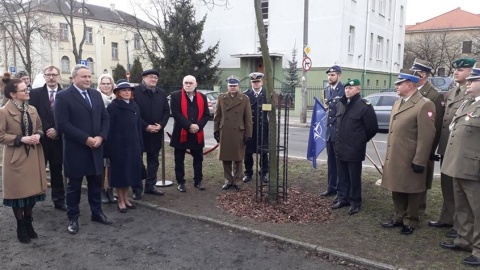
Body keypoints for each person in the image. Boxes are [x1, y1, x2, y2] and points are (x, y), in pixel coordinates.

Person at [54, 64, 112, 235]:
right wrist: (86, 139)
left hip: (96, 147)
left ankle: (97, 212)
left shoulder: (95, 94)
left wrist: (101, 137)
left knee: (95, 183)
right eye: (83, 76)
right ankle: (73, 218)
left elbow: (105, 118)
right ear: (74, 78)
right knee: (74, 187)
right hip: (76, 149)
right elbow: (62, 124)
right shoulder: (63, 97)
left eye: (89, 76)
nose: (88, 79)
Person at [381, 69, 436, 235]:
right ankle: (399, 216)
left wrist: (420, 160)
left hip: (411, 157)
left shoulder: (424, 104)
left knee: (412, 189)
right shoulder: (398, 103)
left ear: (410, 84)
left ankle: (411, 220)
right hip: (397, 156)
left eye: (399, 83)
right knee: (396, 186)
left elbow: (426, 137)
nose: (396, 86)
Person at [440, 65, 480, 266]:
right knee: (462, 208)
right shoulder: (467, 104)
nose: (469, 83)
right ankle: (464, 240)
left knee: (477, 210)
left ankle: (479, 250)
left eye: (473, 80)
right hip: (457, 165)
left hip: (474, 169)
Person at [431, 58, 476, 238]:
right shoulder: (453, 91)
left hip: (461, 150)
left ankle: (460, 225)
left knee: (460, 190)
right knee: (447, 185)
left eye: (461, 70)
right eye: (455, 70)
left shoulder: (470, 94)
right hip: (447, 146)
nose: (456, 72)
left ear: (471, 73)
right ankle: (448, 217)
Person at [0, 77, 47, 243]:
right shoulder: (4, 111)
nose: (28, 91)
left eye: (27, 88)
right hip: (16, 157)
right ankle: (21, 225)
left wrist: (37, 135)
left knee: (31, 194)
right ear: (13, 94)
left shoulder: (32, 109)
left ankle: (29, 221)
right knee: (18, 194)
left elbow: (40, 127)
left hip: (33, 156)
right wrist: (21, 139)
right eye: (23, 90)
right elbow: (1, 135)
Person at [333, 79, 378, 215]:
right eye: (346, 88)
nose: (347, 90)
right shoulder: (341, 104)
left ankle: (355, 202)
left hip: (354, 148)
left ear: (358, 90)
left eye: (351, 88)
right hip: (340, 147)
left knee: (354, 177)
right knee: (342, 175)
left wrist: (359, 141)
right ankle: (343, 198)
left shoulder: (364, 106)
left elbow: (372, 128)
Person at [409, 58, 445, 217]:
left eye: (414, 72)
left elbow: (435, 128)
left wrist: (428, 152)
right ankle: (406, 210)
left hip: (423, 147)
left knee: (420, 181)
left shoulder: (434, 95)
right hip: (409, 145)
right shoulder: (412, 91)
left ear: (422, 74)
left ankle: (418, 211)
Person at [29, 65, 66, 211]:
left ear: (59, 76)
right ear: (44, 76)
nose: (51, 77)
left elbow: (68, 116)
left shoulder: (66, 94)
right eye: (48, 74)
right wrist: (45, 130)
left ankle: (59, 200)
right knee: (36, 171)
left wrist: (57, 129)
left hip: (59, 140)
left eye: (54, 74)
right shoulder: (35, 94)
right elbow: (33, 115)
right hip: (41, 140)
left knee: (57, 171)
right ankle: (30, 200)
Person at [131, 69, 170, 200]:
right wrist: (146, 126)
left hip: (156, 133)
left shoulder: (161, 93)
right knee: (137, 161)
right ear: (143, 78)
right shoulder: (135, 92)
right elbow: (133, 113)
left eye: (155, 78)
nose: (153, 79)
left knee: (153, 161)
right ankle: (137, 189)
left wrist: (161, 125)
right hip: (140, 133)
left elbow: (166, 111)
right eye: (150, 77)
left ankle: (150, 186)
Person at [106, 81, 143, 213]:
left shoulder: (135, 105)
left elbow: (138, 126)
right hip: (118, 146)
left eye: (129, 90)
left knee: (130, 173)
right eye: (124, 90)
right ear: (118, 92)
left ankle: (126, 198)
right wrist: (108, 148)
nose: (127, 92)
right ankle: (120, 200)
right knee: (120, 175)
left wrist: (140, 144)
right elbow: (109, 129)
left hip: (133, 145)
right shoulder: (113, 107)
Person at [169, 75, 210, 192]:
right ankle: (180, 182)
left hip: (197, 133)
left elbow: (206, 114)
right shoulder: (175, 96)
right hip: (181, 132)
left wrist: (198, 126)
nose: (188, 85)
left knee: (198, 158)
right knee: (179, 159)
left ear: (195, 84)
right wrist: (189, 126)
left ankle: (198, 181)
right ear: (183, 84)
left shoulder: (202, 97)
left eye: (190, 83)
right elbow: (176, 114)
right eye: (186, 83)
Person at [213, 76, 252, 191]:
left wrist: (248, 134)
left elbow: (248, 118)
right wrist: (216, 131)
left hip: (239, 132)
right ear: (227, 86)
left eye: (235, 86)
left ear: (238, 86)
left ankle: (238, 180)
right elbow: (217, 116)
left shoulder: (244, 99)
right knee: (226, 157)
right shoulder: (221, 98)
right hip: (225, 131)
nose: (233, 88)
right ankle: (228, 180)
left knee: (238, 158)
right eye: (231, 86)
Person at [320, 65, 345, 200]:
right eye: (329, 75)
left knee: (339, 162)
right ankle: (331, 187)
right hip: (329, 132)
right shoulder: (326, 90)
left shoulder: (344, 90)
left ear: (339, 76)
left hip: (339, 132)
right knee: (331, 162)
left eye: (333, 75)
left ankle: (340, 190)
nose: (330, 77)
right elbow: (327, 110)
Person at [242, 72, 269, 183]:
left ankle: (264, 173)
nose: (256, 84)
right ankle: (248, 173)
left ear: (261, 82)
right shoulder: (246, 95)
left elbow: (270, 109)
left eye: (257, 81)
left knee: (263, 151)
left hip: (263, 127)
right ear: (251, 83)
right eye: (254, 82)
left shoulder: (267, 94)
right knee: (248, 152)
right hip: (250, 127)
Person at [96, 74, 117, 204]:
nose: (106, 86)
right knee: (101, 165)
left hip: (114, 136)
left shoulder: (115, 98)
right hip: (101, 135)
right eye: (103, 83)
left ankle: (110, 189)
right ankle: (101, 190)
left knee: (112, 164)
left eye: (108, 83)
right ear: (99, 85)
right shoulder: (96, 97)